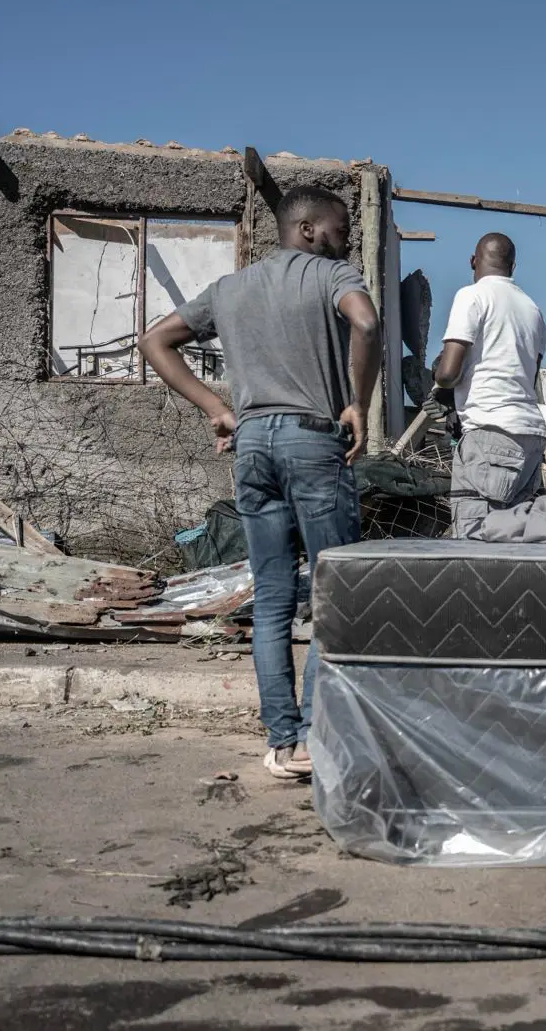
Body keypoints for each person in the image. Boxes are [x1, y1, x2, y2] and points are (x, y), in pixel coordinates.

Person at [138, 185, 380, 780]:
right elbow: (367, 323)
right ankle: (322, 735)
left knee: (272, 598)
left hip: (251, 447)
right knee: (333, 593)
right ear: (308, 230)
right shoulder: (330, 275)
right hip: (311, 441)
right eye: (341, 228)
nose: (346, 238)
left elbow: (154, 340)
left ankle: (284, 741)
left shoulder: (229, 289)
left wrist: (214, 409)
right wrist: (358, 404)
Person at [432, 232, 546, 539]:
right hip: (531, 436)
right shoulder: (532, 310)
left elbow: (447, 373)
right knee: (512, 541)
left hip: (490, 434)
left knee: (474, 547)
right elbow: (529, 376)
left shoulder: (472, 295)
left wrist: (441, 376)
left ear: (473, 260)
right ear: (513, 267)